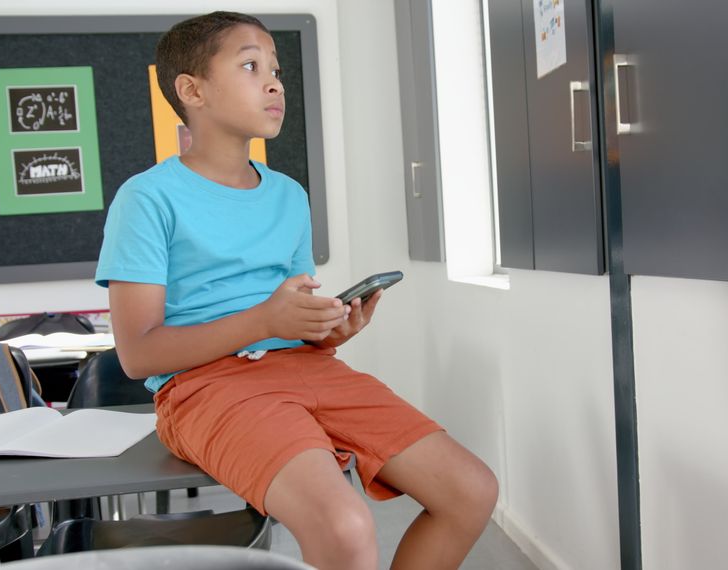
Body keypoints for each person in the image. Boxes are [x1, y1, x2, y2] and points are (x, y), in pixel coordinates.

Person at [95, 11, 498, 570]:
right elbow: (139, 356)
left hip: (307, 371)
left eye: (276, 69)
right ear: (193, 90)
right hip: (204, 387)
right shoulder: (146, 199)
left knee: (471, 490)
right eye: (250, 65)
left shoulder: (288, 195)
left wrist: (327, 330)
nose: (274, 81)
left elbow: (288, 318)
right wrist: (266, 321)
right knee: (345, 524)